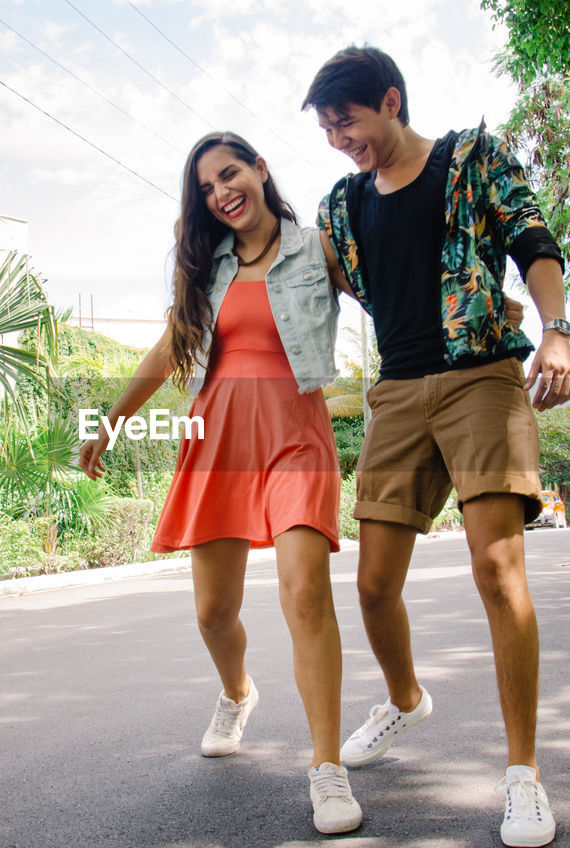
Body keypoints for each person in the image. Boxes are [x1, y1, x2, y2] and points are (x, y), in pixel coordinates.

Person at [302, 46, 570, 848]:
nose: (337, 137)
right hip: (395, 395)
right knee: (374, 586)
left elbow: (532, 239)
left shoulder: (469, 159)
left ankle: (523, 777)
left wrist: (554, 331)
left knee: (498, 569)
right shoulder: (342, 205)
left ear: (390, 100)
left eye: (345, 120)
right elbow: (322, 281)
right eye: (325, 128)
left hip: (481, 379)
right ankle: (405, 698)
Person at [77, 132, 363, 835]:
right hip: (218, 439)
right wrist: (110, 421)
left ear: (260, 170)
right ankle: (237, 692)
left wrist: (477, 319)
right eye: (206, 187)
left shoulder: (318, 247)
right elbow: (169, 345)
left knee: (304, 592)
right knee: (212, 613)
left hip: (295, 432)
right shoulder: (211, 269)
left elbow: (391, 296)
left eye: (229, 174)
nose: (220, 192)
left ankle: (327, 768)